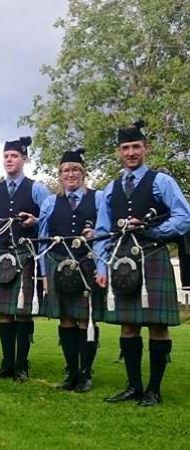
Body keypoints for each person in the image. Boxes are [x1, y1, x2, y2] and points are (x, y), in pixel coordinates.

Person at [96, 120, 190, 406]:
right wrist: (102, 267)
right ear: (118, 152)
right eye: (126, 148)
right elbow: (102, 230)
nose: (131, 152)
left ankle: (154, 390)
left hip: (152, 256)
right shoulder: (110, 189)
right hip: (122, 259)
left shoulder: (162, 181)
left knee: (157, 325)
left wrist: (152, 230)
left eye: (136, 146)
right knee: (128, 324)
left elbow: (184, 217)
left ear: (145, 148)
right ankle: (134, 386)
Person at [37, 148, 107, 393]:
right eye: (66, 170)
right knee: (66, 320)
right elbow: (42, 241)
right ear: (60, 174)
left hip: (87, 263)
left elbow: (105, 232)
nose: (71, 174)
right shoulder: (49, 202)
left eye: (75, 169)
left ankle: (86, 373)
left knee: (85, 319)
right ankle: (72, 372)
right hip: (58, 264)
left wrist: (97, 239)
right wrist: (44, 275)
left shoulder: (98, 198)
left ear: (83, 173)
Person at [0, 137, 51, 382]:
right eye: (6, 156)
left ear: (24, 159)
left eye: (14, 156)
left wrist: (35, 222)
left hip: (26, 255)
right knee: (4, 313)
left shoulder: (37, 188)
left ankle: (22, 365)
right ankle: (7, 364)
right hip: (2, 255)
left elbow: (49, 221)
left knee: (22, 312)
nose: (9, 160)